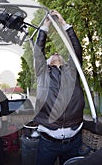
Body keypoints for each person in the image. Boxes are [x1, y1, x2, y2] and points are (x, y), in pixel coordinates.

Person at [33, 10, 85, 165]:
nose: (55, 53)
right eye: (51, 55)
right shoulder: (43, 73)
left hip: (74, 140)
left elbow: (76, 50)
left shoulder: (71, 72)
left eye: (58, 54)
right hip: (48, 143)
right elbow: (38, 52)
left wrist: (64, 24)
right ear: (47, 62)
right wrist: (45, 27)